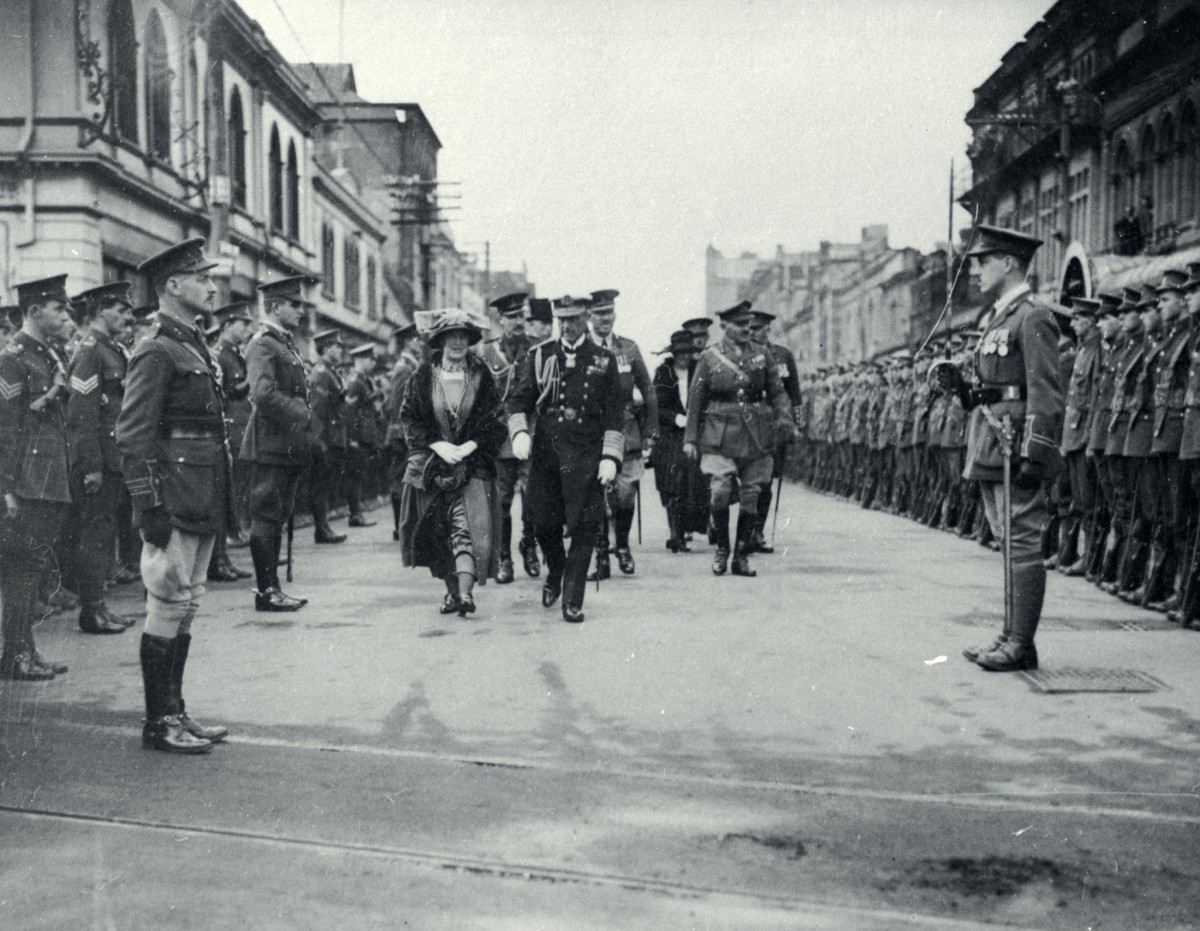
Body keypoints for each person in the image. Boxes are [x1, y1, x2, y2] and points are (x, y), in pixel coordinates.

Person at [115, 238, 230, 752]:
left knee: (188, 602)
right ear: (173, 286)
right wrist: (149, 508)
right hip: (174, 496)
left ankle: (176, 712)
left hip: (201, 491)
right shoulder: (156, 348)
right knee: (167, 601)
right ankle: (158, 722)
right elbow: (132, 437)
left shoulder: (191, 342)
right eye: (202, 277)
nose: (212, 285)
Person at [937, 225, 1064, 673]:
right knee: (1008, 542)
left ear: (1009, 263)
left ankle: (1020, 641)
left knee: (1023, 542)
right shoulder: (999, 316)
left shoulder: (1033, 316)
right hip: (991, 440)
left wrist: (1036, 452)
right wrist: (964, 389)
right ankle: (1012, 636)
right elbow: (997, 388)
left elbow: (1046, 392)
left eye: (982, 261)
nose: (974, 271)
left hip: (1014, 447)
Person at [506, 295, 624, 623]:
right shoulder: (541, 355)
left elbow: (616, 413)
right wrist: (520, 434)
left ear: (586, 317)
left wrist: (610, 456)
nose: (567, 326)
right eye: (562, 320)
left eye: (573, 319)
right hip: (548, 457)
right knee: (543, 524)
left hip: (587, 458)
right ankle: (555, 570)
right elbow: (518, 402)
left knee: (586, 528)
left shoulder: (603, 359)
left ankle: (572, 599)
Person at [398, 309, 505, 616]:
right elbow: (410, 418)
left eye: (463, 337)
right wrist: (439, 445)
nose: (458, 343)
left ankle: (466, 594)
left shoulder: (482, 375)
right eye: (451, 337)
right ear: (441, 341)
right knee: (440, 533)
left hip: (473, 465)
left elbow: (495, 420)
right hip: (433, 466)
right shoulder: (421, 376)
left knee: (467, 528)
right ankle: (452, 592)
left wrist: (470, 445)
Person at [684, 300, 795, 577]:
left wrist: (784, 418)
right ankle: (722, 548)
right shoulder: (709, 358)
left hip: (756, 433)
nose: (746, 329)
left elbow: (778, 391)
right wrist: (690, 438)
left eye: (748, 324)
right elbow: (695, 401)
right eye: (739, 324)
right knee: (720, 491)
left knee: (751, 495)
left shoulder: (763, 355)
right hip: (719, 433)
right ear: (724, 326)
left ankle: (741, 556)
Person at [0, 276, 75, 680]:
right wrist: (7, 488)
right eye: (58, 308)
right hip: (26, 481)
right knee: (21, 570)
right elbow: (5, 425)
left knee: (29, 569)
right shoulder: (12, 358)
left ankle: (24, 649)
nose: (65, 315)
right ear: (34, 311)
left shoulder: (46, 354)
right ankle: (15, 656)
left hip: (45, 478)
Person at [64, 281, 137, 634]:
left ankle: (99, 607)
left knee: (103, 532)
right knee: (94, 533)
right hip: (100, 461)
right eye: (120, 310)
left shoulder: (113, 349)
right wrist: (91, 466)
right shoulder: (91, 350)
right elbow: (82, 414)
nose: (127, 317)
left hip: (114, 457)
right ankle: (90, 611)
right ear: (100, 311)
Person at [240, 276, 316, 612]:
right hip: (269, 442)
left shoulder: (283, 343)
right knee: (266, 516)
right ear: (274, 307)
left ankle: (273, 587)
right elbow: (262, 393)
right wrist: (300, 411)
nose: (301, 310)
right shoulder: (263, 343)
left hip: (284, 443)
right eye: (294, 304)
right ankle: (266, 590)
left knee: (278, 514)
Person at [588, 289, 657, 578]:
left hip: (627, 431)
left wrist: (650, 432)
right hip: (591, 432)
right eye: (599, 314)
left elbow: (648, 390)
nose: (605, 319)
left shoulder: (628, 349)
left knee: (625, 494)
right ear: (589, 317)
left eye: (609, 313)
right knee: (595, 495)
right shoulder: (582, 349)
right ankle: (600, 556)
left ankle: (623, 547)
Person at [479, 291, 533, 583]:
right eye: (512, 317)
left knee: (533, 497)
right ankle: (504, 559)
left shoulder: (537, 350)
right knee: (501, 502)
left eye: (522, 316)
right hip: (501, 440)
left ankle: (530, 545)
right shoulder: (487, 353)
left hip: (530, 434)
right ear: (500, 320)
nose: (518, 322)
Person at [206, 301, 255, 583]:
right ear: (227, 326)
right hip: (230, 430)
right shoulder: (221, 355)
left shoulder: (235, 354)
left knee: (232, 497)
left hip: (238, 430)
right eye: (242, 324)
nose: (247, 329)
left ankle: (223, 557)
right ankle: (219, 558)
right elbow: (228, 393)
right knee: (227, 496)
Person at [749, 309, 800, 552]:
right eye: (753, 330)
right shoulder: (742, 354)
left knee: (766, 482)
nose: (759, 334)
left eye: (763, 329)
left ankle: (757, 531)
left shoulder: (783, 355)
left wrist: (794, 425)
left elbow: (794, 395)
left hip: (773, 428)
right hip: (746, 426)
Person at [652, 329, 706, 551]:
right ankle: (676, 533)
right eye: (680, 352)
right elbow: (657, 405)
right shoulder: (663, 372)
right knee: (671, 481)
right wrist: (675, 418)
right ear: (673, 353)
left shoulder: (699, 370)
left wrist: (695, 420)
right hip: (670, 435)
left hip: (696, 433)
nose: (684, 356)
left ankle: (687, 529)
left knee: (693, 483)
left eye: (688, 352)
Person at [307, 329, 350, 544]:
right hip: (325, 439)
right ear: (325, 348)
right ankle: (321, 529)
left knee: (324, 484)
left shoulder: (331, 371)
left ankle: (323, 527)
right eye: (336, 347)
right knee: (320, 484)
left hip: (333, 436)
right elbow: (317, 410)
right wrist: (320, 441)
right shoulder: (322, 372)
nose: (340, 350)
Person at [384, 322, 422, 541]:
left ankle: (405, 525)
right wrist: (403, 431)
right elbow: (397, 403)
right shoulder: (404, 368)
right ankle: (401, 526)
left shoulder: (410, 366)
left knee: (405, 479)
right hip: (401, 434)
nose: (420, 343)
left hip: (405, 433)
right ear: (408, 342)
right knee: (400, 480)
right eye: (416, 340)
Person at [344, 343, 381, 528]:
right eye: (369, 358)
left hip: (365, 437)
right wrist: (352, 438)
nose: (372, 362)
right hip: (357, 438)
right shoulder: (355, 382)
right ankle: (355, 514)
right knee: (354, 476)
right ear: (360, 359)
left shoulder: (364, 380)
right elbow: (350, 411)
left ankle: (357, 513)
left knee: (359, 475)